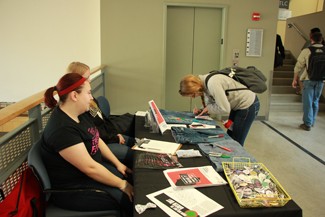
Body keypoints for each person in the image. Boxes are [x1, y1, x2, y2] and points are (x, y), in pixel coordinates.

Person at [42, 73, 133, 216]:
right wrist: (122, 185)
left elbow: (96, 139)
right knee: (130, 199)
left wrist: (118, 164)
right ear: (74, 96)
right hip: (75, 189)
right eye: (89, 93)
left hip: (90, 174)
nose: (91, 97)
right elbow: (90, 168)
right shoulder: (62, 129)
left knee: (132, 178)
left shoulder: (80, 114)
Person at [66, 62, 135, 167]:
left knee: (136, 143)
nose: (89, 81)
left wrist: (115, 134)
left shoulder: (90, 100)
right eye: (86, 78)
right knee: (135, 155)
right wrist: (114, 138)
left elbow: (102, 120)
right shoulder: (81, 107)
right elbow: (95, 132)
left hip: (107, 136)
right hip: (104, 142)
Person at [179, 73, 260, 146]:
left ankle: (235, 160)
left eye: (193, 94)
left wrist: (208, 108)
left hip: (247, 104)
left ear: (195, 87)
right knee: (230, 136)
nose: (194, 97)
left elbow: (224, 108)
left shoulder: (212, 84)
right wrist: (202, 110)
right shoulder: (204, 84)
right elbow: (211, 103)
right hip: (236, 106)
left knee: (236, 141)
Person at [292, 32, 325, 131]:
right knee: (315, 101)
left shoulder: (307, 50)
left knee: (308, 102)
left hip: (308, 79)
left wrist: (295, 79)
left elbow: (298, 66)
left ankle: (307, 124)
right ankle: (312, 121)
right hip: (321, 80)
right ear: (321, 39)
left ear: (311, 39)